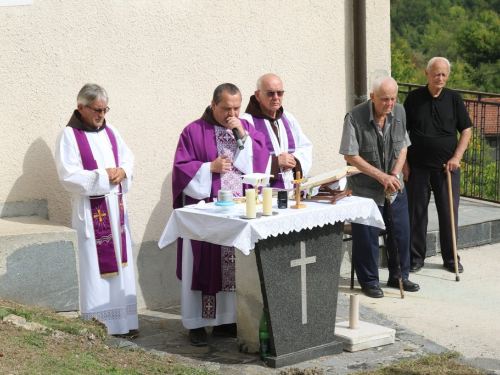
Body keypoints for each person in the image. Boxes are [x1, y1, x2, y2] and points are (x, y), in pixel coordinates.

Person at [171, 83, 270, 346]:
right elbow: (181, 170)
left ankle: (227, 320)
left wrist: (244, 137)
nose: (232, 114)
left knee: (234, 264)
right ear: (213, 104)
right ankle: (197, 324)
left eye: (237, 108)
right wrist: (208, 167)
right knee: (204, 264)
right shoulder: (193, 131)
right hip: (208, 214)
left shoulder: (244, 128)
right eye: (226, 108)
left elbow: (261, 161)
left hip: (237, 212)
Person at [55, 84, 138, 336]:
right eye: (96, 110)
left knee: (121, 265)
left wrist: (123, 171)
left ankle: (125, 321)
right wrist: (103, 176)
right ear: (81, 108)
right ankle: (101, 324)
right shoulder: (69, 136)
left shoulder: (111, 131)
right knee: (96, 268)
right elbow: (67, 175)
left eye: (104, 109)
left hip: (116, 208)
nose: (102, 115)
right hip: (92, 214)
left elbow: (127, 158)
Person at [339, 76, 419, 298]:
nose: (389, 104)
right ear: (372, 96)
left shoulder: (400, 112)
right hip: (364, 191)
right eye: (384, 99)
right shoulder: (355, 117)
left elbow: (403, 146)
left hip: (393, 187)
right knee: (366, 237)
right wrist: (381, 176)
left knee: (401, 233)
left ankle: (399, 276)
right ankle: (370, 281)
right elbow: (350, 154)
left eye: (393, 98)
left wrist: (394, 174)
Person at [403, 57, 472, 273]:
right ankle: (415, 258)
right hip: (417, 167)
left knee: (448, 214)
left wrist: (456, 158)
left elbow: (467, 130)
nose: (439, 78)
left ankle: (451, 259)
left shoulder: (454, 98)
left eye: (443, 74)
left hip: (446, 169)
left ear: (447, 76)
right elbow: (401, 134)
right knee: (416, 214)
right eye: (436, 73)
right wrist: (404, 164)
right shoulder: (413, 99)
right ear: (426, 74)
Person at [241, 73, 312, 189]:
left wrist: (294, 160)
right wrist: (274, 162)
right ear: (257, 95)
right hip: (264, 192)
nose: (275, 97)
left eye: (279, 93)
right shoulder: (246, 122)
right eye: (270, 93)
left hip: (291, 187)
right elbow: (243, 158)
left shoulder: (288, 118)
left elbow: (305, 147)